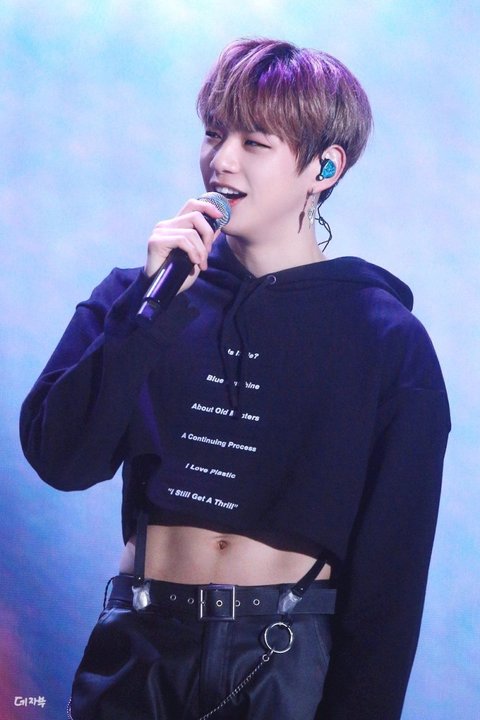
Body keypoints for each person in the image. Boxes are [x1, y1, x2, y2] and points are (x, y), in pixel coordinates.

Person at [20, 38, 450, 720]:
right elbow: (62, 459)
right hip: (140, 646)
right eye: (214, 134)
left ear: (324, 167)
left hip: (279, 658)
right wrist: (146, 314)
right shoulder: (139, 298)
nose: (220, 160)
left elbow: (390, 587)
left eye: (254, 142)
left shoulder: (386, 340)